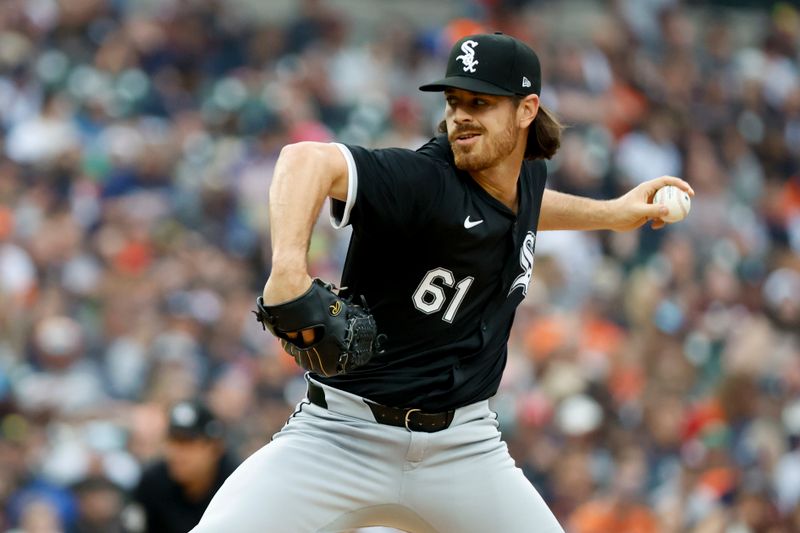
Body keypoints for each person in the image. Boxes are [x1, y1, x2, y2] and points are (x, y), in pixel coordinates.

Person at [192, 32, 694, 532]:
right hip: (341, 437)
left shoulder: (525, 178)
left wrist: (612, 213)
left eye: (481, 101)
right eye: (454, 101)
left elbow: (526, 209)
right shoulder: (424, 182)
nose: (460, 115)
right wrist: (287, 272)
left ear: (526, 111)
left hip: (465, 450)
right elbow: (304, 160)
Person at [129, 400, 238, 533]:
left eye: (187, 442)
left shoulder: (236, 484)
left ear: (215, 447)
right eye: (172, 441)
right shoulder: (152, 483)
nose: (176, 452)